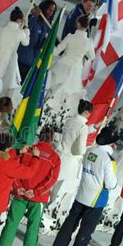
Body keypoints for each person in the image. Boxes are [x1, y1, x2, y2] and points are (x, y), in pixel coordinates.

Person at [50, 127, 118, 246]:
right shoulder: (109, 160)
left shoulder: (90, 151)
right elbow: (111, 184)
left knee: (70, 223)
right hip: (96, 200)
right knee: (85, 231)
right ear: (111, 144)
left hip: (81, 193)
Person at [0, 127, 61, 246]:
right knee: (32, 229)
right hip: (38, 198)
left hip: (20, 193)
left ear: (39, 136)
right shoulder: (54, 158)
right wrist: (36, 192)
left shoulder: (27, 150)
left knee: (11, 223)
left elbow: (14, 167)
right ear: (52, 139)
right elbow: (51, 179)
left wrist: (17, 186)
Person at [42, 100, 92, 234]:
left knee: (54, 187)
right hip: (71, 161)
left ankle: (44, 216)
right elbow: (80, 150)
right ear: (86, 112)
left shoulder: (70, 121)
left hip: (61, 157)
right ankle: (54, 221)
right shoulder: (83, 127)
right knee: (64, 192)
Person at [49, 15, 95, 111]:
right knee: (69, 96)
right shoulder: (88, 42)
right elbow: (92, 56)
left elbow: (56, 51)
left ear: (78, 24)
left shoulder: (70, 36)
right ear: (87, 26)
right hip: (76, 70)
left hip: (62, 66)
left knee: (53, 91)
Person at [18, 0, 57, 83]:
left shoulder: (48, 25)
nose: (51, 13)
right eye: (49, 9)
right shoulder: (33, 19)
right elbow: (25, 28)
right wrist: (34, 16)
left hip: (34, 62)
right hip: (23, 59)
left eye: (53, 11)